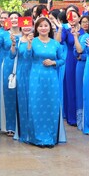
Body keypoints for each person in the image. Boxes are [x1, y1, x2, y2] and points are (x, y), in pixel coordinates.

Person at [23, 17, 65, 148]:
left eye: (46, 25)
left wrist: (54, 62)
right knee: (36, 105)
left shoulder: (55, 44)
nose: (43, 28)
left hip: (51, 78)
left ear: (50, 27)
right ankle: (37, 138)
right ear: (36, 28)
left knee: (51, 105)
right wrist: (29, 44)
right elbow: (26, 57)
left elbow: (62, 59)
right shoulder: (33, 41)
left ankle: (51, 137)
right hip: (36, 77)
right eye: (40, 26)